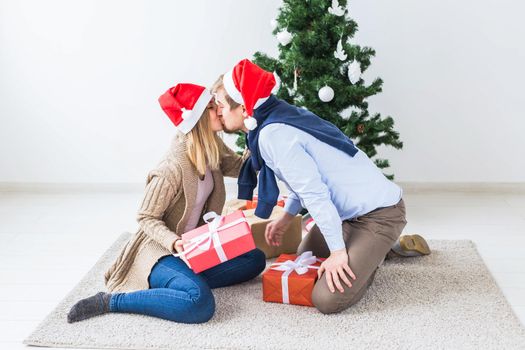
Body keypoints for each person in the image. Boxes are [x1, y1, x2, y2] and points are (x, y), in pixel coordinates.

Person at [212, 59, 430, 314]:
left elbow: (315, 195)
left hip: (379, 215)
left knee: (326, 298)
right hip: (346, 215)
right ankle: (364, 250)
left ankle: (377, 252)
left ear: (245, 109)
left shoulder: (274, 135)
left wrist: (338, 252)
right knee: (306, 256)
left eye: (221, 106)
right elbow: (298, 180)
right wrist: (286, 217)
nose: (218, 112)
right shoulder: (272, 118)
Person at [67, 83, 266, 324]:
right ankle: (112, 301)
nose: (221, 111)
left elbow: (244, 169)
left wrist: (250, 130)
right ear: (200, 118)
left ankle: (181, 283)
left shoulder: (211, 146)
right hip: (160, 250)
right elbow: (145, 217)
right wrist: (173, 241)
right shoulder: (171, 168)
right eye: (215, 108)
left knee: (254, 258)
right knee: (199, 304)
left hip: (193, 247)